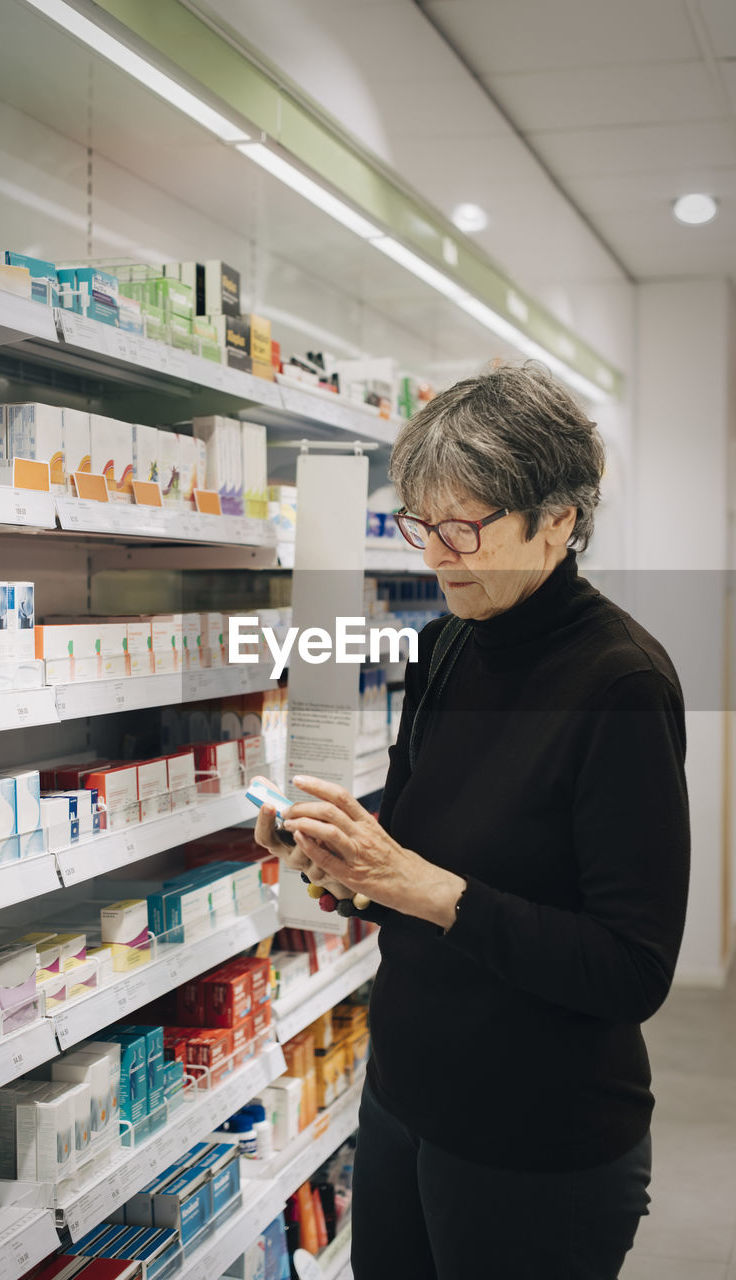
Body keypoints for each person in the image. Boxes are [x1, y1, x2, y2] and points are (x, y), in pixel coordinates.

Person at [254, 362, 690, 1280]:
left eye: (463, 528)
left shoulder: (620, 684)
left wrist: (421, 885)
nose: (435, 555)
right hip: (405, 1096)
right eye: (423, 524)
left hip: (538, 1142)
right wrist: (340, 863)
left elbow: (631, 970)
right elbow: (417, 866)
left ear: (558, 519)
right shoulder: (447, 644)